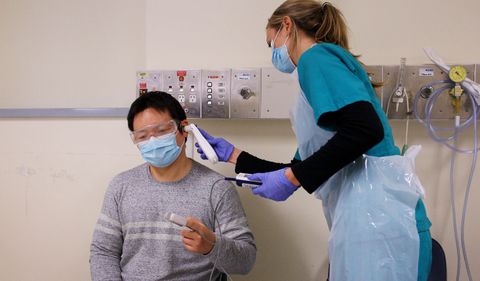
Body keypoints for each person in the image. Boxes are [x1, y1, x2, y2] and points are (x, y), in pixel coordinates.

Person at [195, 1, 432, 281]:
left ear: (286, 25)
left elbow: (365, 130)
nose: (274, 53)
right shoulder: (325, 71)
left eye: (271, 43)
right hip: (375, 219)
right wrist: (234, 155)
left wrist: (293, 178)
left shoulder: (315, 58)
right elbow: (305, 166)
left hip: (380, 224)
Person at [89, 91, 256, 281]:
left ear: (183, 129)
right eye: (142, 136)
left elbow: (246, 261)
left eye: (161, 131)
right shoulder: (121, 186)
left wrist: (212, 246)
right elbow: (103, 252)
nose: (153, 142)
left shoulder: (216, 189)